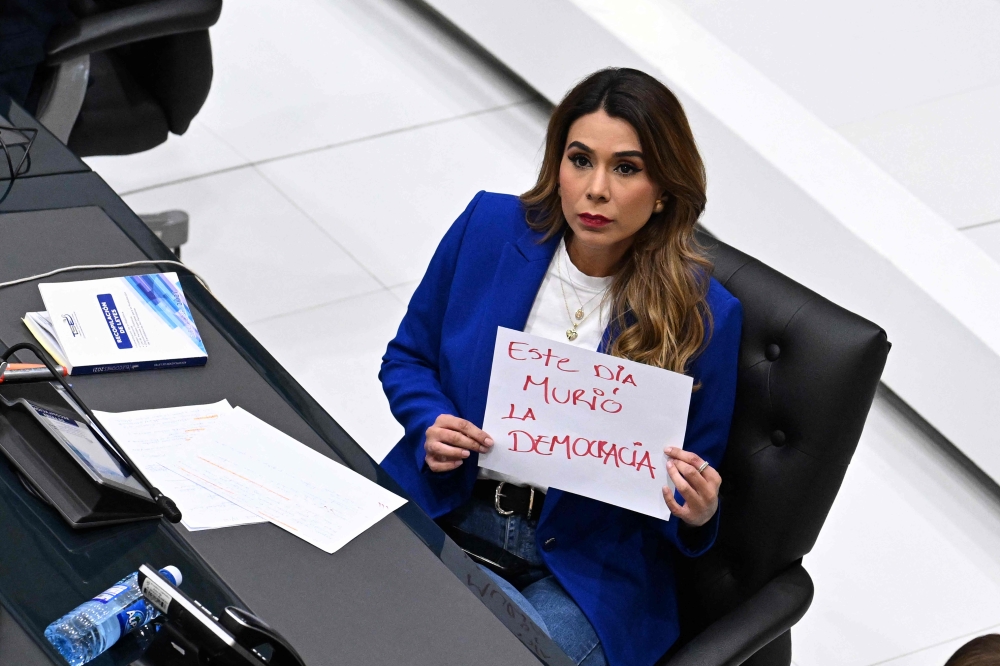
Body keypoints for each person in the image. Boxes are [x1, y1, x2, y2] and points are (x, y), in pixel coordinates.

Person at [380, 67, 743, 666]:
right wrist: (431, 421)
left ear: (665, 192)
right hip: (450, 502)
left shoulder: (705, 314)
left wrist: (699, 512)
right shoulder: (488, 228)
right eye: (580, 160)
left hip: (588, 573)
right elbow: (409, 358)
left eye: (626, 168)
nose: (595, 189)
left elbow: (689, 485)